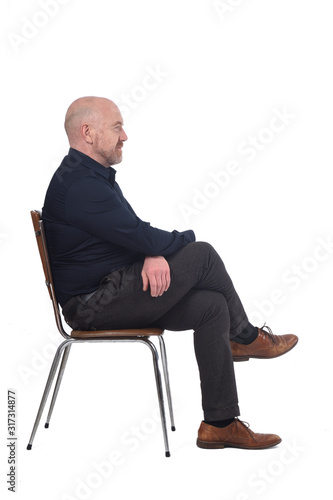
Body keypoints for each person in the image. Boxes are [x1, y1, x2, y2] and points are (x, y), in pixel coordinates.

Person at [42, 96, 298, 450]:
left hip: (114, 289)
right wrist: (164, 244)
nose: (125, 135)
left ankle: (219, 423)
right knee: (201, 254)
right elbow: (139, 234)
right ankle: (244, 335)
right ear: (87, 132)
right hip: (94, 304)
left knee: (211, 306)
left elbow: (131, 232)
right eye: (117, 127)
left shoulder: (89, 176)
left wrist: (151, 251)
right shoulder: (81, 186)